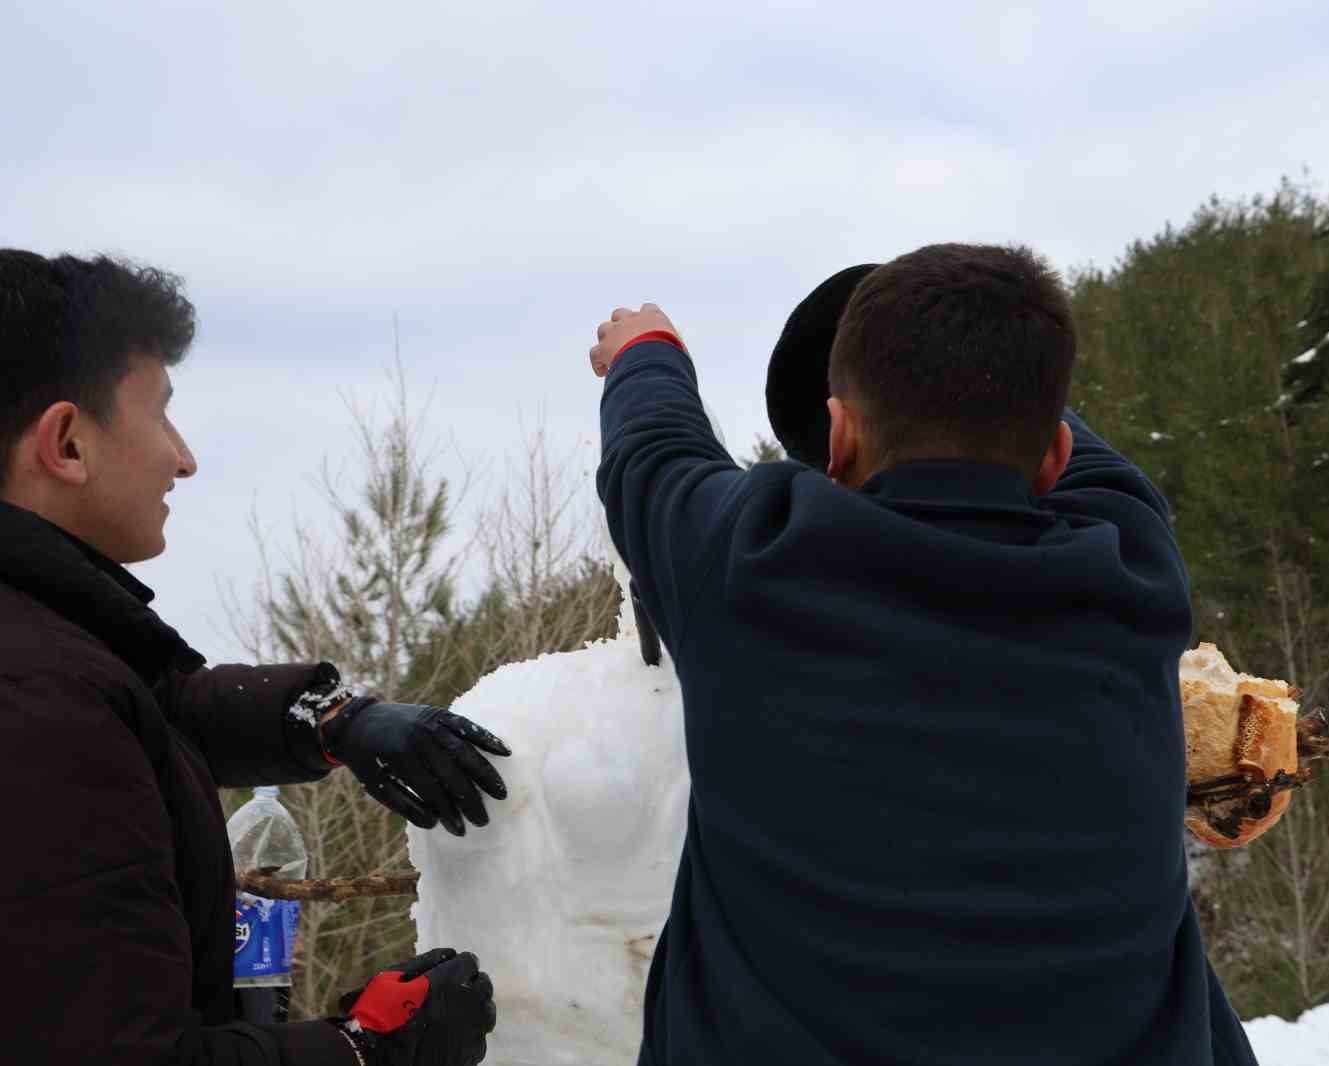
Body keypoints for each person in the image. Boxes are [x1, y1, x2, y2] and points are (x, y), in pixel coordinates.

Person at [588, 243, 1258, 1066]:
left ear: (835, 438)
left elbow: (652, 450)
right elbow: (1054, 438)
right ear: (1051, 453)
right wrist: (971, 343)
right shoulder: (1131, 572)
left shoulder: (747, 570)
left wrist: (645, 352)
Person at [0, 250, 503, 1066]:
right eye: (160, 415)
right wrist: (365, 1047)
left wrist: (333, 721)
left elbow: (155, 704)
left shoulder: (51, 645)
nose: (183, 457)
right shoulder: (37, 702)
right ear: (66, 443)